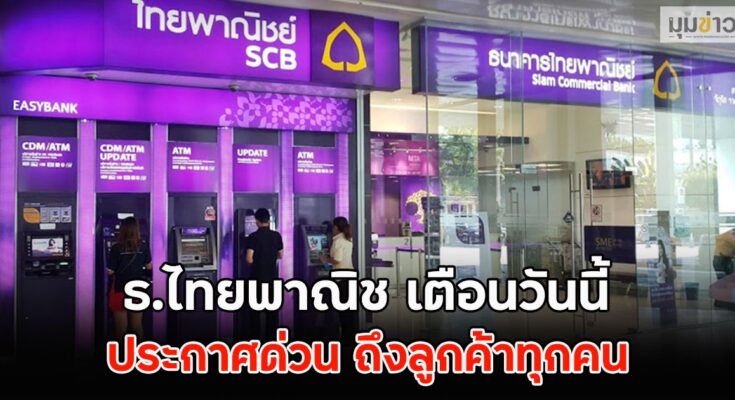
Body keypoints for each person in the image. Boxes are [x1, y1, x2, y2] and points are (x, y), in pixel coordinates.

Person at [107, 217, 152, 341]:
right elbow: (149, 266)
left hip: (120, 289)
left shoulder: (116, 248)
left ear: (122, 230)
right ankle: (141, 351)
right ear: (137, 230)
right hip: (137, 290)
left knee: (121, 329)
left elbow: (110, 271)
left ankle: (121, 352)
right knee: (137, 326)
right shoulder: (144, 247)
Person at [245, 208, 283, 340]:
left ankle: (255, 341)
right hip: (272, 278)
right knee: (272, 312)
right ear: (268, 220)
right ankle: (271, 341)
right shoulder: (276, 236)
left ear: (256, 221)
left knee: (255, 311)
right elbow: (280, 255)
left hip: (257, 278)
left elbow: (249, 258)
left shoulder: (253, 237)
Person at [320, 216, 357, 343]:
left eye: (333, 227)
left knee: (343, 312)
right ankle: (350, 339)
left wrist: (325, 259)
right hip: (350, 277)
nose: (332, 229)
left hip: (341, 279)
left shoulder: (338, 241)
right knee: (349, 312)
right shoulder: (348, 238)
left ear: (336, 227)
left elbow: (337, 260)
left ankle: (346, 341)